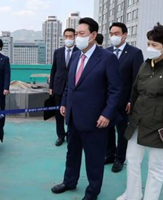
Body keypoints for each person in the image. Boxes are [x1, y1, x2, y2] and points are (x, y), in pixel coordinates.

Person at [51, 18, 121, 200]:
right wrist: (65, 103)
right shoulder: (75, 56)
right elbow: (69, 84)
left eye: (81, 34)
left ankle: (92, 192)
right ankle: (69, 181)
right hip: (73, 117)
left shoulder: (107, 58)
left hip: (95, 120)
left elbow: (115, 90)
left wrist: (107, 114)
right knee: (72, 153)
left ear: (93, 35)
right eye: (76, 34)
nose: (77, 37)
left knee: (94, 159)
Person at [116, 23, 163, 200]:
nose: (150, 48)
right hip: (138, 121)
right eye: (149, 43)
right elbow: (135, 90)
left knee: (156, 166)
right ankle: (132, 194)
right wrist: (131, 112)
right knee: (132, 160)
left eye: (155, 45)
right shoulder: (145, 65)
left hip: (162, 125)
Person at [105, 22, 144, 173]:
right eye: (112, 34)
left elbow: (137, 80)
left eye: (117, 33)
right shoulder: (106, 52)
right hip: (107, 101)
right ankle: (109, 154)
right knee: (107, 129)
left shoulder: (134, 53)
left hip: (124, 102)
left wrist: (131, 100)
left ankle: (119, 159)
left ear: (125, 34)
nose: (114, 36)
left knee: (122, 132)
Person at [49, 28, 79, 146]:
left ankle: (71, 135)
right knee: (59, 114)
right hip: (58, 86)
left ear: (74, 37)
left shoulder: (79, 51)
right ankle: (60, 136)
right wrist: (51, 86)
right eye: (66, 36)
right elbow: (54, 70)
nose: (68, 39)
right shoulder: (58, 52)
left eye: (70, 36)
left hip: (73, 87)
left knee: (73, 113)